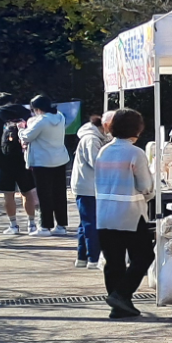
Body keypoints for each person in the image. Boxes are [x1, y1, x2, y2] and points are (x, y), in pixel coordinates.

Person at [95, 108, 157, 320]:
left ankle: (118, 303)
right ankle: (121, 295)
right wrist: (149, 193)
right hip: (130, 214)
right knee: (144, 256)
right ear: (137, 129)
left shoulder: (103, 151)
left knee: (114, 262)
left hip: (104, 213)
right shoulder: (135, 153)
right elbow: (145, 185)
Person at [0, 92, 37, 235]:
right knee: (27, 192)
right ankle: (32, 224)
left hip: (3, 160)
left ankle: (13, 225)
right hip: (24, 158)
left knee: (8, 194)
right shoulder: (25, 113)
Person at [23, 96, 72, 235]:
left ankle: (45, 226)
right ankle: (61, 225)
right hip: (60, 159)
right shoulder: (60, 117)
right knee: (59, 193)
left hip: (42, 161)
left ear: (37, 109)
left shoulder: (41, 121)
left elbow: (27, 136)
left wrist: (21, 130)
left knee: (44, 194)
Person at [70, 114, 107, 268]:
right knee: (91, 223)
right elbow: (96, 163)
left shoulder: (91, 137)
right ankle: (93, 258)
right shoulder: (92, 139)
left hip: (84, 186)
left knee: (85, 223)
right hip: (88, 187)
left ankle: (82, 257)